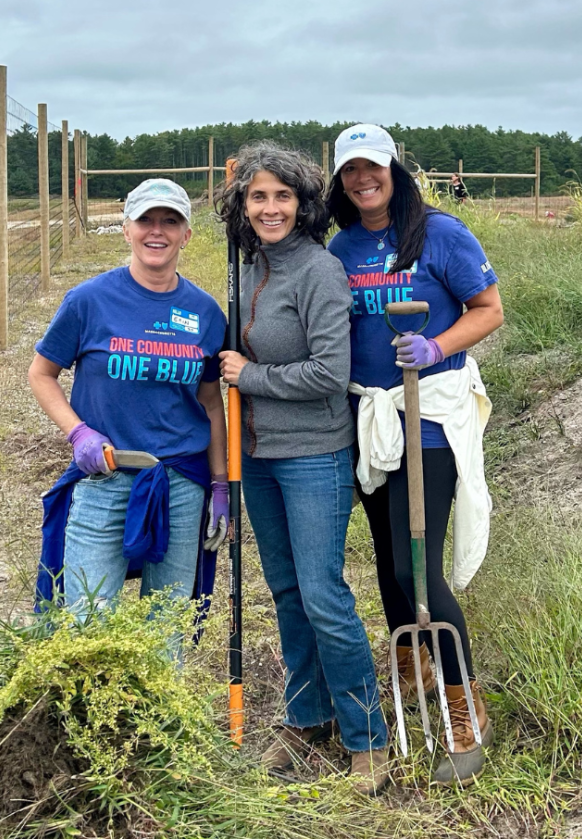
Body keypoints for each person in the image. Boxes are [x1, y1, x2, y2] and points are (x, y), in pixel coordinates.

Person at [326, 123, 504, 785]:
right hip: (370, 418)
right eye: (350, 171)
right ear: (341, 180)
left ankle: (465, 707)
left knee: (416, 568)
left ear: (394, 171)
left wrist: (437, 346)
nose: (362, 179)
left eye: (373, 167)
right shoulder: (341, 247)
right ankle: (414, 664)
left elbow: (488, 309)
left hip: (428, 417)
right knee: (386, 559)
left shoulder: (441, 234)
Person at [216, 142, 391, 796]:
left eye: (282, 196)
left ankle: (367, 736)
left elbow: (329, 373)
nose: (269, 207)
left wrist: (250, 374)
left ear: (304, 203)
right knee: (286, 594)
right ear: (242, 203)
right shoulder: (244, 267)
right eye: (258, 196)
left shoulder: (319, 271)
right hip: (255, 455)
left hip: (314, 453)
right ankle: (305, 717)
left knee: (323, 596)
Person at [28, 179, 228, 643]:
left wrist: (220, 485)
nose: (156, 232)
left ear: (186, 235)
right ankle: (89, 711)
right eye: (146, 221)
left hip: (180, 480)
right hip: (104, 475)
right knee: (86, 616)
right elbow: (41, 374)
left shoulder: (204, 313)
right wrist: (78, 433)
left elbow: (211, 403)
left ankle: (161, 713)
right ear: (126, 229)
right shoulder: (88, 301)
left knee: (168, 623)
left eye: (170, 221)